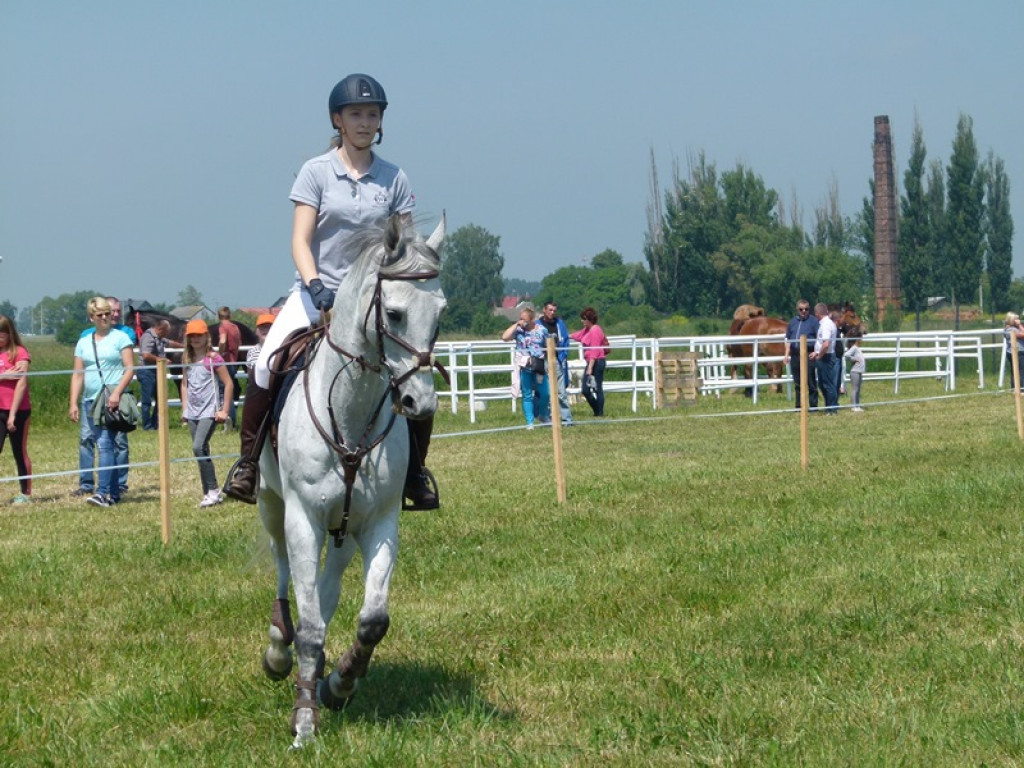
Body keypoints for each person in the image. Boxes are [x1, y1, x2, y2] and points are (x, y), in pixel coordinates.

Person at [223, 73, 438, 511]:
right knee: (266, 362)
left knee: (416, 369)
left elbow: (407, 248)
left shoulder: (394, 178)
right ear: (337, 120)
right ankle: (247, 464)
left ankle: (414, 473)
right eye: (355, 114)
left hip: (374, 302)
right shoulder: (315, 172)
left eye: (372, 114)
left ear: (380, 122)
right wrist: (317, 286)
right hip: (317, 294)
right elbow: (300, 241)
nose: (364, 122)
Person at [70, 297, 135, 507]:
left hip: (111, 401)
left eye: (107, 313)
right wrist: (73, 402)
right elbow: (78, 374)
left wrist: (116, 393)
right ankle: (114, 494)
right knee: (103, 444)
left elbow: (130, 368)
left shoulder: (121, 338)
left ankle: (103, 492)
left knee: (105, 444)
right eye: (100, 314)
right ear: (92, 318)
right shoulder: (83, 342)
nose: (105, 317)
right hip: (90, 401)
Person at [180, 319, 233, 508]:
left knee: (198, 446)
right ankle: (208, 492)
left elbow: (228, 383)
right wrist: (184, 408)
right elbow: (184, 384)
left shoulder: (214, 358)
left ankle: (213, 490)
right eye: (191, 336)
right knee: (201, 451)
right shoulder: (186, 358)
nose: (195, 339)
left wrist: (224, 410)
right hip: (193, 411)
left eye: (198, 335)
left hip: (210, 410)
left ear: (206, 337)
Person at [0, 315, 32, 504]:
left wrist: (12, 415)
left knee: (19, 451)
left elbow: (21, 384)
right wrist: (4, 376)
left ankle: (26, 493)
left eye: (1, 335)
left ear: (9, 334)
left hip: (18, 411)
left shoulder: (19, 353)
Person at [502, 308, 551, 428]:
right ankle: (530, 422)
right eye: (521, 318)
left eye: (524, 319)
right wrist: (516, 324)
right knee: (527, 394)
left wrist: (548, 363)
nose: (522, 321)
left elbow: (549, 346)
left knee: (545, 393)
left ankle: (541, 413)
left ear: (531, 319)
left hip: (539, 366)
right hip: (524, 367)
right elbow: (505, 337)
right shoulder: (518, 330)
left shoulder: (542, 330)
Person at [537, 301, 573, 425]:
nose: (552, 313)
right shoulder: (538, 325)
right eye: (550, 310)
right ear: (544, 310)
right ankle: (546, 419)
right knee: (545, 393)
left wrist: (562, 357)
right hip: (543, 361)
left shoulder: (560, 324)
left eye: (554, 310)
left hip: (557, 361)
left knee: (561, 393)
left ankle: (566, 419)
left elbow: (566, 340)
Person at [570, 307, 610, 417]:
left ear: (589, 319)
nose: (582, 321)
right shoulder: (587, 330)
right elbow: (578, 335)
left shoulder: (595, 330)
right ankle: (597, 410)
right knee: (585, 389)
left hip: (596, 362)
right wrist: (566, 337)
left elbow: (595, 350)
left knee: (597, 388)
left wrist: (590, 367)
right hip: (591, 362)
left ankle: (599, 412)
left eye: (583, 319)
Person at [782, 300, 819, 410]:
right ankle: (799, 406)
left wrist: (816, 351)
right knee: (798, 382)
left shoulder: (814, 322)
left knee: (811, 382)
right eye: (801, 309)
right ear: (797, 309)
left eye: (806, 309)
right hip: (795, 355)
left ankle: (813, 407)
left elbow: (819, 338)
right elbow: (788, 339)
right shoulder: (793, 322)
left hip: (808, 354)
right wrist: (786, 355)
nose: (804, 311)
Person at [137, 319, 170, 430]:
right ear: (160, 329)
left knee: (160, 398)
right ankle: (147, 425)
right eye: (166, 332)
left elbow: (169, 342)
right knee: (147, 400)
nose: (166, 335)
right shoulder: (148, 337)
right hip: (147, 371)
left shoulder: (158, 337)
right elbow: (146, 355)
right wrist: (161, 359)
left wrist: (184, 346)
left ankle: (155, 423)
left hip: (154, 371)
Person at [809, 302, 838, 415]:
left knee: (828, 384)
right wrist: (817, 353)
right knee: (823, 384)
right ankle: (829, 407)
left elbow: (826, 344)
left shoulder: (825, 325)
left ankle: (831, 409)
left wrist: (819, 355)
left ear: (817, 313)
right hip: (824, 355)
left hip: (826, 357)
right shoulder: (827, 323)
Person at [216, 307, 241, 431]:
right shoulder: (235, 327)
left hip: (225, 362)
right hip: (234, 361)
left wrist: (219, 354)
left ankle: (228, 419)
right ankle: (233, 419)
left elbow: (222, 340)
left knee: (224, 392)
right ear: (229, 315)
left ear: (218, 316)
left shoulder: (223, 327)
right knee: (230, 390)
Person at [246, 314, 276, 378]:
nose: (265, 329)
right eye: (262, 327)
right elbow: (251, 375)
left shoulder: (282, 349)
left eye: (269, 326)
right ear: (256, 331)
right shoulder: (252, 351)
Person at [843, 332, 866, 413]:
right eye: (860, 338)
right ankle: (853, 406)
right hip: (855, 371)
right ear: (856, 339)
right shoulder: (854, 348)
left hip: (859, 371)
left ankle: (857, 405)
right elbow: (846, 355)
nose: (861, 340)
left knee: (858, 389)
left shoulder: (857, 348)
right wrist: (854, 359)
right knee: (854, 389)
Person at [1004, 312, 1024, 391]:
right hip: (1018, 352)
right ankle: (1022, 389)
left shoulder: (1010, 328)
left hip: (1013, 352)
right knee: (1021, 371)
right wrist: (1019, 325)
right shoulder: (1010, 329)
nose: (1018, 320)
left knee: (1015, 370)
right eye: (1016, 319)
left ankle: (1014, 389)